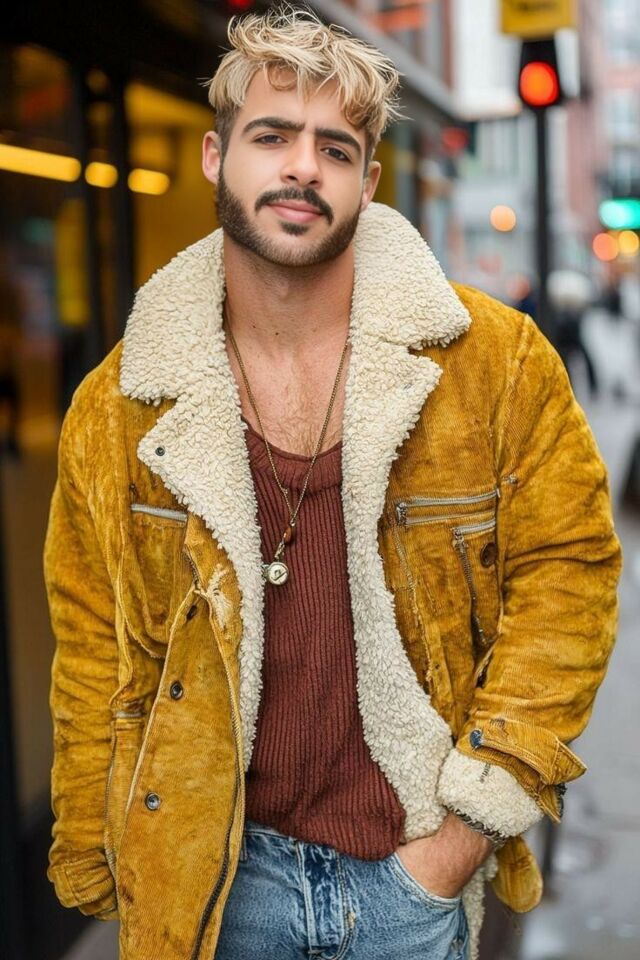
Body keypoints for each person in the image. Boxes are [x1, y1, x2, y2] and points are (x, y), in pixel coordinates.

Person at [43, 6, 622, 960]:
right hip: (215, 882)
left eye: (336, 148)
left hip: (411, 873)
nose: (304, 167)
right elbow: (91, 641)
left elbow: (570, 573)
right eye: (272, 137)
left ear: (368, 182)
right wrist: (101, 850)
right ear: (214, 157)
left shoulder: (494, 363)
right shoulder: (120, 404)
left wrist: (461, 836)